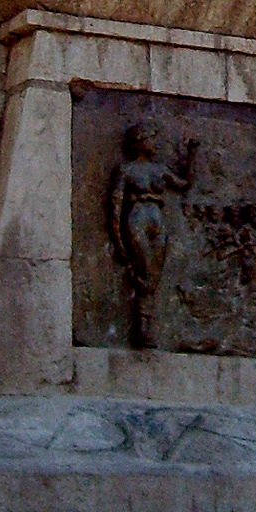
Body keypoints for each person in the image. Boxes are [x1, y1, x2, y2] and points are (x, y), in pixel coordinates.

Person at [106, 124, 197, 347]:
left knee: (154, 275)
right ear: (139, 142)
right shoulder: (126, 170)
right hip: (137, 220)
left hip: (158, 221)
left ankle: (146, 323)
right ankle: (141, 329)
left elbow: (184, 184)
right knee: (145, 273)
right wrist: (118, 241)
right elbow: (115, 206)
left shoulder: (160, 170)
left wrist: (192, 156)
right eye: (152, 139)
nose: (156, 144)